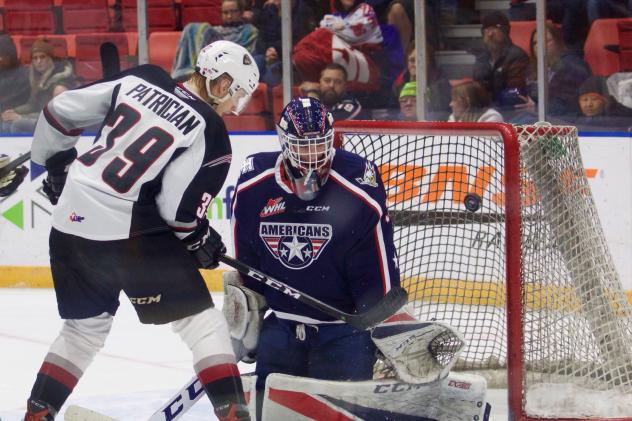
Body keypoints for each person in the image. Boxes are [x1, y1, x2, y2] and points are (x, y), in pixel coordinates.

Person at [23, 40, 260, 421]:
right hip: (128, 234)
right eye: (238, 96)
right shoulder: (211, 131)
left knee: (83, 330)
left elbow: (58, 111)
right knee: (202, 323)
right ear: (221, 84)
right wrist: (200, 239)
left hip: (69, 221)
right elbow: (176, 212)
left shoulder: (142, 77)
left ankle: (37, 413)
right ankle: (234, 414)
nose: (235, 107)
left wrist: (56, 164)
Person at [229, 96, 401, 417]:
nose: (312, 155)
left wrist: (382, 320)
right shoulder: (254, 183)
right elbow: (247, 255)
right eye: (302, 145)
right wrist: (248, 306)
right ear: (284, 141)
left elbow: (376, 256)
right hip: (281, 329)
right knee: (270, 414)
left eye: (319, 144)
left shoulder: (356, 182)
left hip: (343, 332)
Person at [1, 38, 76, 134]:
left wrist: (21, 117)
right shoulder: (35, 77)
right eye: (35, 58)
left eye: (42, 57)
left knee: (18, 124)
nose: (39, 61)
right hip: (40, 117)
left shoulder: (60, 83)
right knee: (6, 123)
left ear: (50, 59)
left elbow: (55, 116)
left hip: (56, 124)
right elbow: (33, 104)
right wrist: (13, 111)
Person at [172, 0, 258, 81]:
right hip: (209, 63)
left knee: (203, 28)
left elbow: (245, 55)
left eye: (233, 11)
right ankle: (193, 70)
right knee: (191, 28)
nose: (229, 16)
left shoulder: (249, 31)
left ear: (241, 12)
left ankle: (201, 72)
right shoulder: (214, 31)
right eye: (225, 12)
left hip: (229, 65)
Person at [473, 11, 529, 112]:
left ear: (505, 31)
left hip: (511, 112)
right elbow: (477, 88)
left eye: (494, 29)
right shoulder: (482, 58)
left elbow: (515, 93)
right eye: (486, 30)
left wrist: (490, 103)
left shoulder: (517, 56)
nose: (489, 34)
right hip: (486, 111)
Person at [298, 63, 366, 120]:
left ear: (345, 85)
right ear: (320, 82)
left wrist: (312, 94)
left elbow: (319, 121)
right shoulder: (320, 100)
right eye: (327, 80)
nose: (331, 85)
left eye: (337, 82)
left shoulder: (352, 105)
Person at [0, 33, 30, 118]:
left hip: (13, 115)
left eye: (3, 55)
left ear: (11, 56)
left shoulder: (24, 74)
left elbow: (16, 99)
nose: (0, 59)